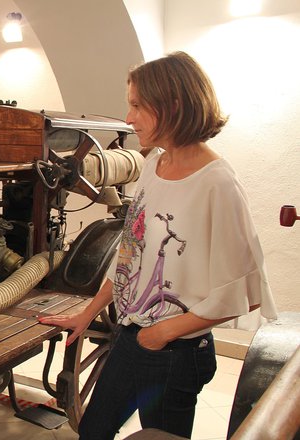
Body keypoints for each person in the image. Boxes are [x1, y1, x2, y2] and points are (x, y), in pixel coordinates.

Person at [38, 51, 277, 439]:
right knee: (92, 432)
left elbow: (244, 294)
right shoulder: (155, 164)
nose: (128, 118)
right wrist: (88, 312)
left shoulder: (218, 184)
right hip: (131, 339)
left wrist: (163, 333)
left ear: (174, 104)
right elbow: (131, 254)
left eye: (136, 105)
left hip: (174, 355)